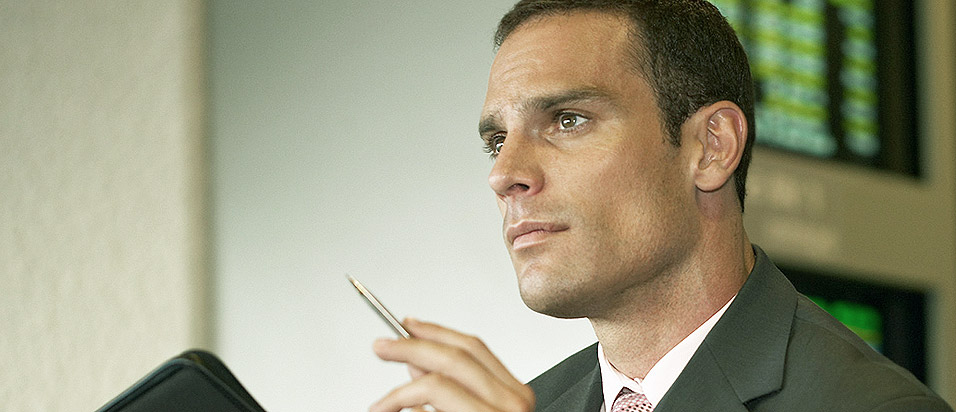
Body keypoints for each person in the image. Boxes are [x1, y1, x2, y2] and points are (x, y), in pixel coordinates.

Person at [369, 1, 954, 411]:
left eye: (567, 120)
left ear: (711, 148)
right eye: (498, 140)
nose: (503, 175)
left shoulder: (869, 406)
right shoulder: (537, 403)